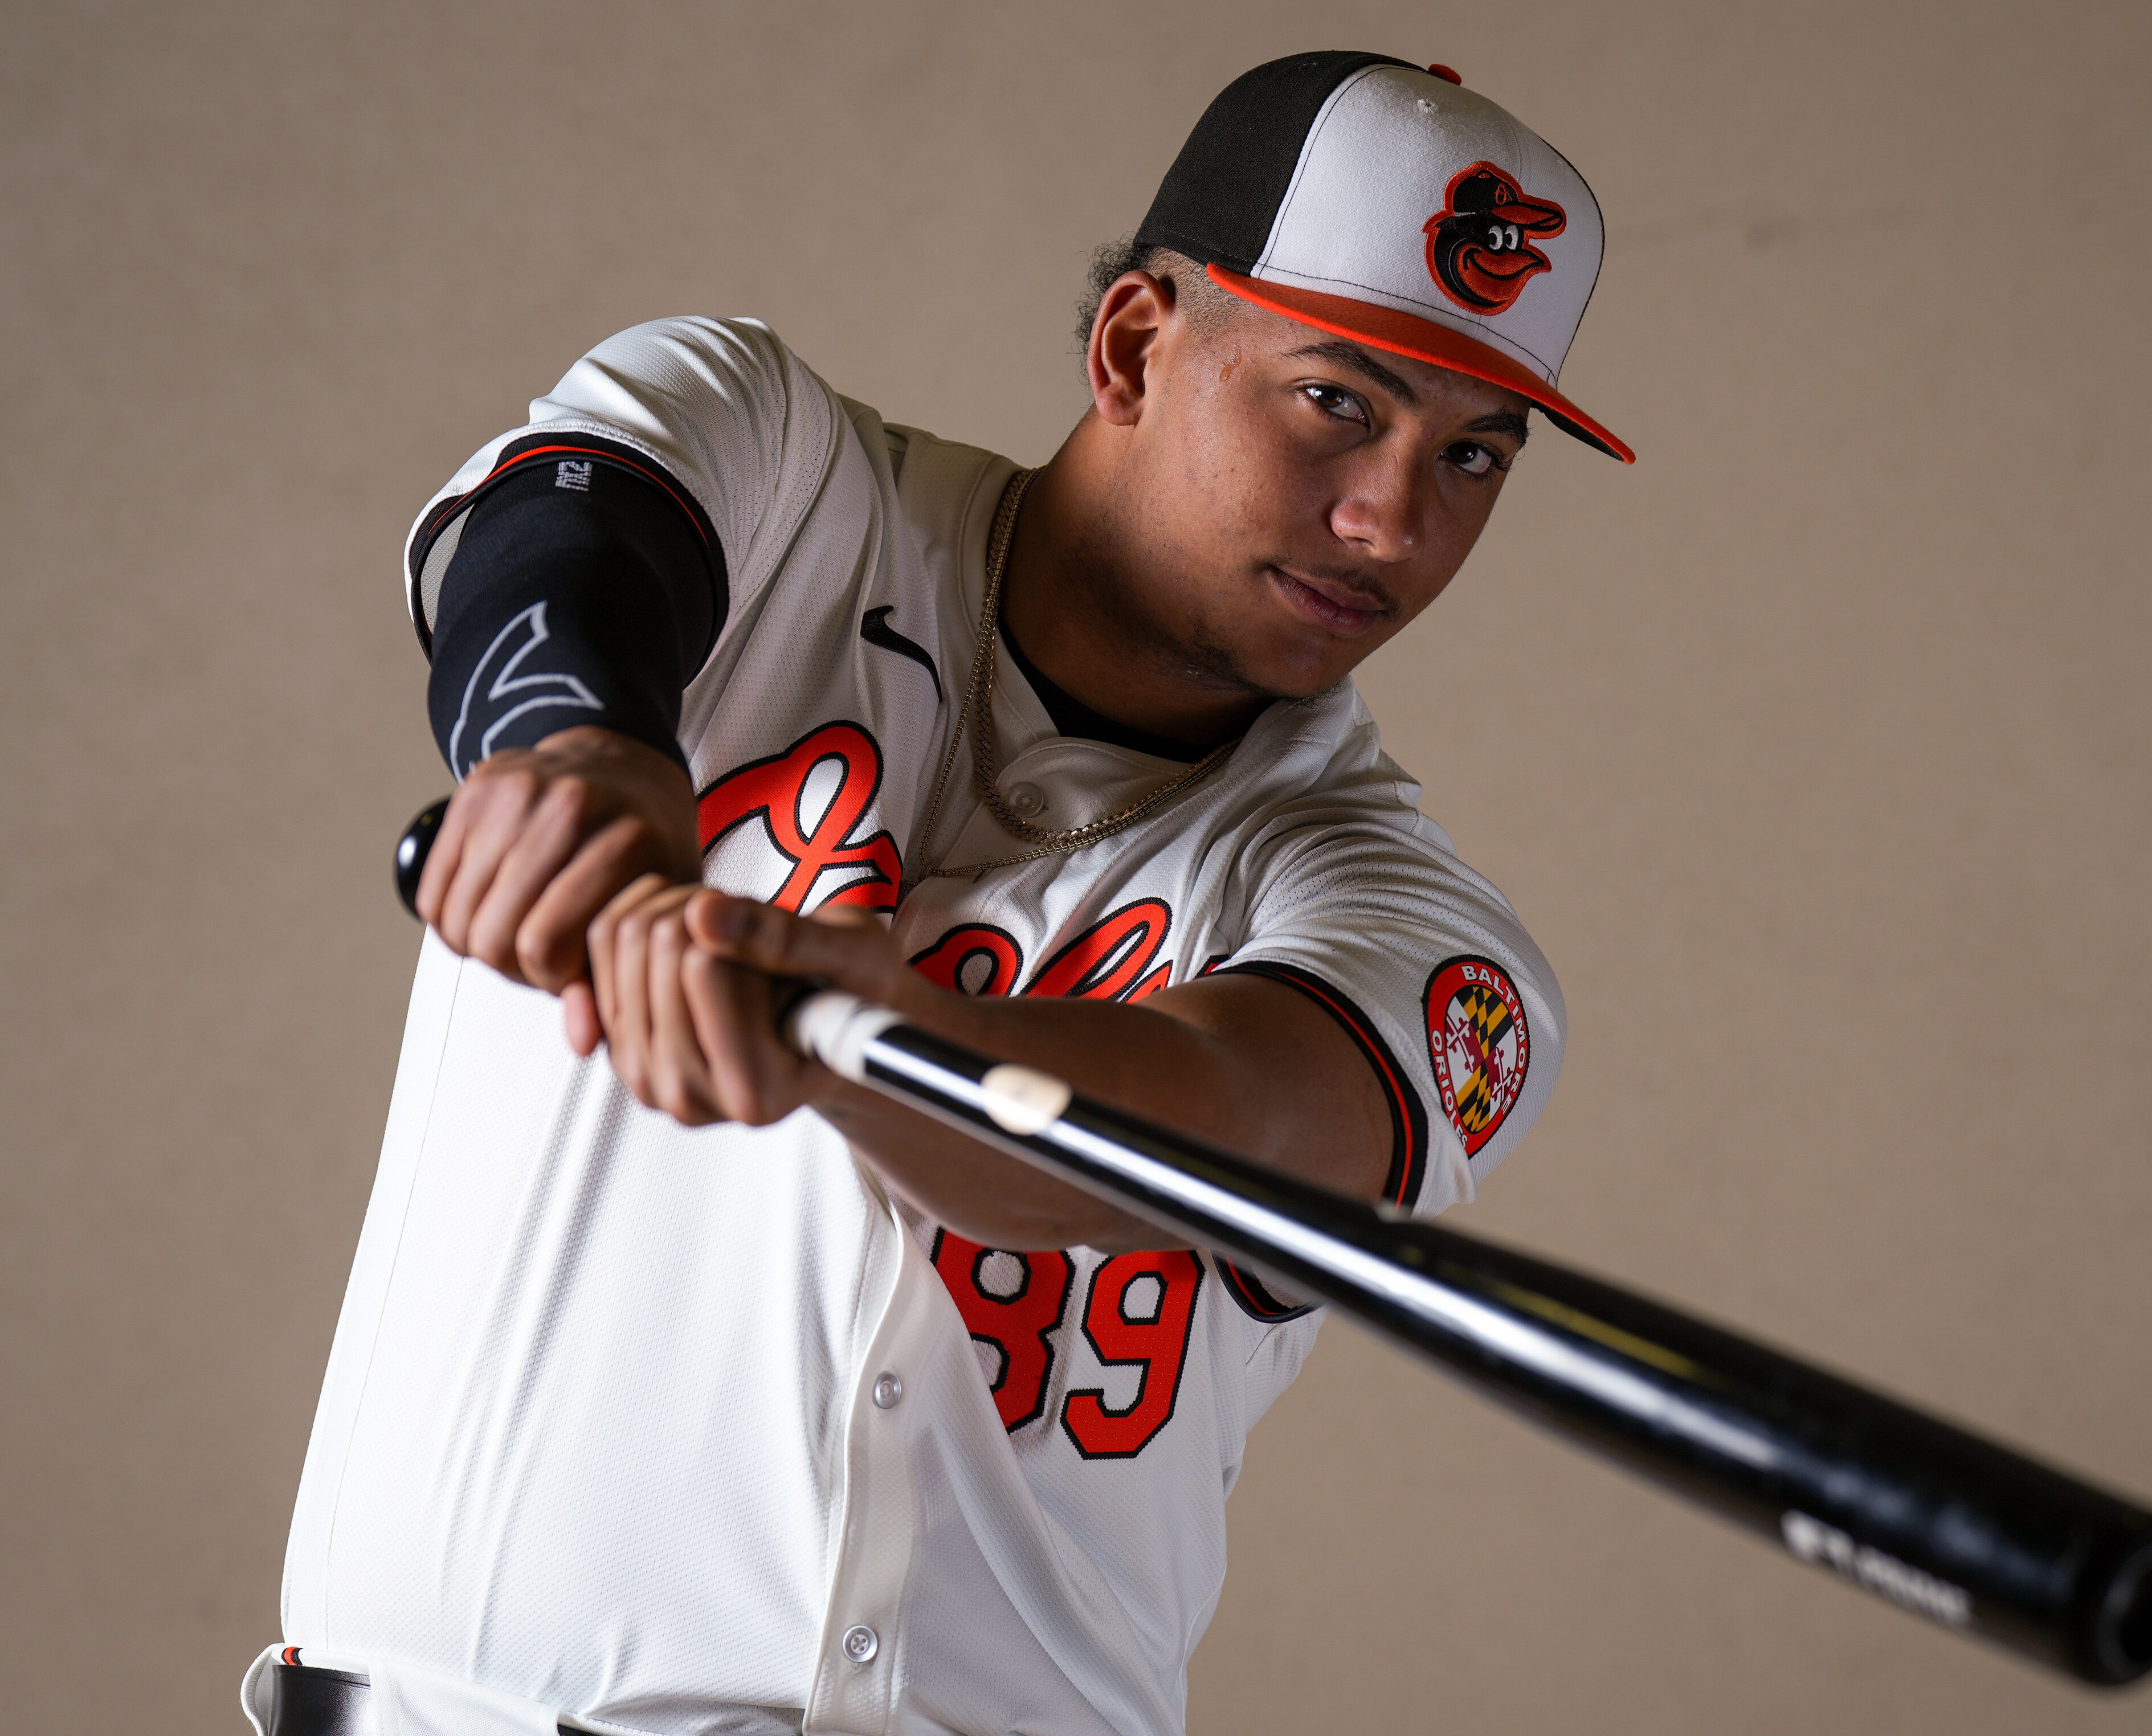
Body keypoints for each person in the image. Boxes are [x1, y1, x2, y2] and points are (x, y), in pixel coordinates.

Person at [248, 49, 1630, 1736]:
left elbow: (1213, 1129)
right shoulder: (778, 473)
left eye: (1476, 456)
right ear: (1136, 342)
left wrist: (846, 1035)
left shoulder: (1417, 925)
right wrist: (574, 750)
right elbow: (565, 546)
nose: (1390, 522)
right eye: (1338, 401)